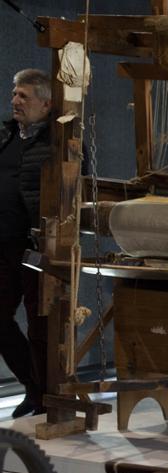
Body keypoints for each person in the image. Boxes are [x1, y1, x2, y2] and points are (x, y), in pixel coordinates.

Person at [0, 69, 52, 419]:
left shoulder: (58, 141)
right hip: (2, 245)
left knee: (40, 325)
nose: (16, 101)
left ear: (46, 103)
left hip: (35, 247)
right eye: (15, 94)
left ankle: (45, 395)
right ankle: (34, 389)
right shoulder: (5, 135)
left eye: (24, 96)